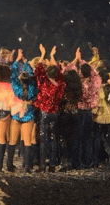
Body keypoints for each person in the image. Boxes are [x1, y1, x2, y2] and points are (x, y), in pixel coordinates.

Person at [64, 48, 101, 168]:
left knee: (76, 138)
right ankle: (87, 161)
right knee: (87, 138)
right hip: (88, 112)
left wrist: (77, 59)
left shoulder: (78, 81)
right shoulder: (95, 82)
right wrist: (84, 63)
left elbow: (68, 69)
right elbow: (94, 73)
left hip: (79, 111)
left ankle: (76, 162)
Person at [34, 44, 66, 173]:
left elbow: (38, 69)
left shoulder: (44, 82)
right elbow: (57, 71)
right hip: (55, 113)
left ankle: (42, 166)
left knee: (43, 139)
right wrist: (52, 56)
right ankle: (52, 164)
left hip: (44, 113)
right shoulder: (61, 84)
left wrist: (42, 54)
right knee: (53, 138)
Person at [7, 49, 38, 173]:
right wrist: (26, 63)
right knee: (27, 141)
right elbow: (32, 73)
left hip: (17, 113)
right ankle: (27, 166)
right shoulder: (33, 85)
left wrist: (17, 60)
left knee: (13, 140)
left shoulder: (16, 86)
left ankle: (9, 164)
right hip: (29, 113)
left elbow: (12, 74)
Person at [91, 69, 110, 168]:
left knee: (97, 139)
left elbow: (97, 104)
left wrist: (93, 113)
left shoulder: (99, 90)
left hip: (101, 116)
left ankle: (95, 161)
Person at [57, 69, 83, 171]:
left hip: (65, 114)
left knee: (64, 139)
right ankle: (76, 163)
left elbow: (60, 99)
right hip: (75, 113)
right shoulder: (78, 87)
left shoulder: (64, 88)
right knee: (75, 140)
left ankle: (65, 162)